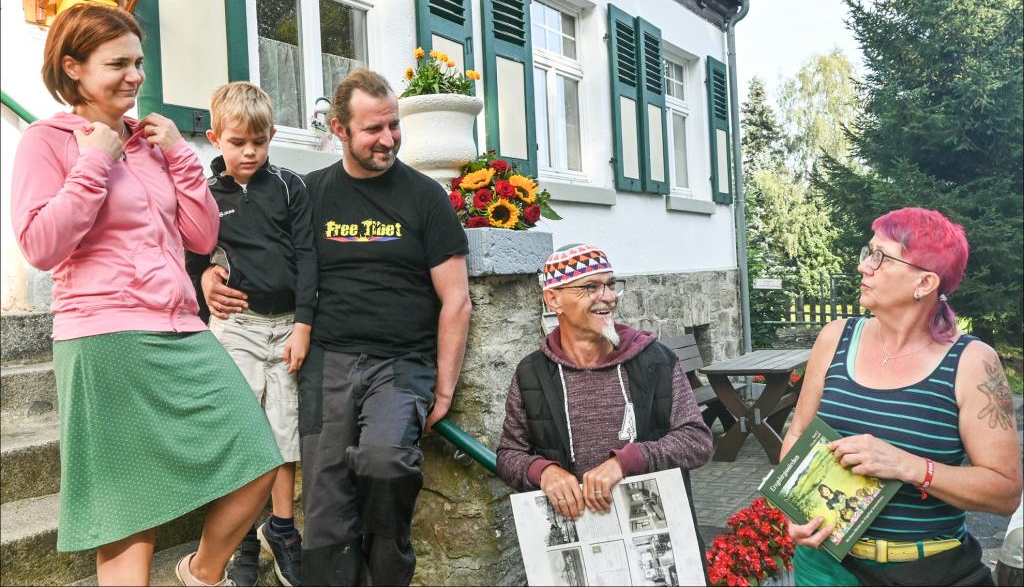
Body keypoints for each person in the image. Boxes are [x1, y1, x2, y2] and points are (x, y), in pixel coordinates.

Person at [9, 4, 282, 587]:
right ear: (73, 67)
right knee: (129, 512)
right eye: (118, 64)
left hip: (182, 327)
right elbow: (40, 245)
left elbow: (203, 236)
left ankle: (200, 573)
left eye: (138, 62)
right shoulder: (46, 140)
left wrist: (180, 155)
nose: (135, 75)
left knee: (260, 458)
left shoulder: (154, 143)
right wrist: (92, 164)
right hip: (103, 335)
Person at [204, 68, 472, 586]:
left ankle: (385, 572)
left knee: (387, 461)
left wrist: (444, 384)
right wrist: (209, 273)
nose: (389, 139)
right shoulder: (308, 193)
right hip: (326, 360)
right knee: (325, 503)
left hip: (401, 363)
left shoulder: (425, 198)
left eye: (394, 126)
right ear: (339, 129)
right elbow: (243, 239)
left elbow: (456, 300)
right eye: (374, 129)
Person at [781, 208, 1022, 586]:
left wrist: (908, 466)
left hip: (927, 570)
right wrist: (793, 510)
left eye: (881, 257)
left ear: (925, 283)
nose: (864, 266)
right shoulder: (835, 338)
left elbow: (1005, 491)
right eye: (868, 252)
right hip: (824, 567)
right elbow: (797, 434)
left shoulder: (972, 363)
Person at [186, 82, 316, 587]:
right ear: (216, 137)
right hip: (237, 326)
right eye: (238, 142)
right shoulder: (203, 193)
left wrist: (304, 323)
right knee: (242, 433)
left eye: (259, 143)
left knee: (283, 434)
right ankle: (239, 538)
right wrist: (203, 277)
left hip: (286, 327)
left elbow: (308, 256)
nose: (249, 153)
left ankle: (281, 530)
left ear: (271, 137)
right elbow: (193, 255)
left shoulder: (289, 186)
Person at [495, 243, 713, 545]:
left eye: (611, 285)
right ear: (553, 299)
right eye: (590, 287)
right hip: (578, 543)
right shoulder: (532, 373)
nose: (608, 297)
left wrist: (628, 460)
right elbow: (509, 454)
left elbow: (697, 441)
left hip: (658, 539)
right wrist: (542, 471)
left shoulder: (656, 361)